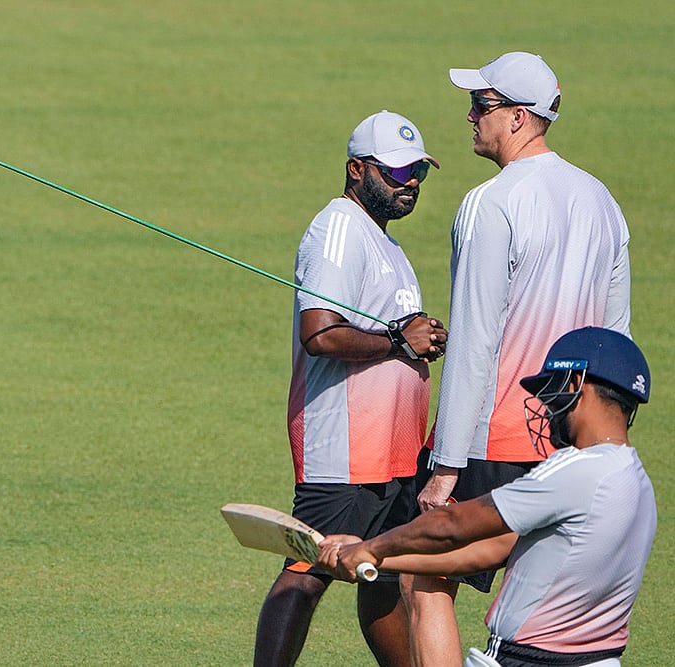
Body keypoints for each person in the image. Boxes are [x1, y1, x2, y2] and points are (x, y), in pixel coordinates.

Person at [410, 52, 633, 666]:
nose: (470, 116)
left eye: (481, 106)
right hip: (576, 445)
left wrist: (446, 467)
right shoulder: (602, 202)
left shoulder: (490, 202)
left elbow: (477, 341)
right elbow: (616, 342)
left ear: (517, 118)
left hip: (497, 439)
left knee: (425, 579)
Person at [317, 326, 655, 667]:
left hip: (527, 660)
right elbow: (487, 551)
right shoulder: (637, 482)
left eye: (551, 393)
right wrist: (371, 559)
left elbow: (453, 524)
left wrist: (371, 546)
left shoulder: (573, 470)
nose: (548, 410)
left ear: (574, 385)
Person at [253, 111, 447, 666]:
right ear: (356, 169)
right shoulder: (339, 225)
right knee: (309, 570)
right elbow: (319, 333)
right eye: (396, 172)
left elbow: (391, 333)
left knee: (382, 576)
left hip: (392, 453)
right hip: (345, 447)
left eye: (418, 173)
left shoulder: (385, 243)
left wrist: (420, 339)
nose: (409, 183)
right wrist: (398, 340)